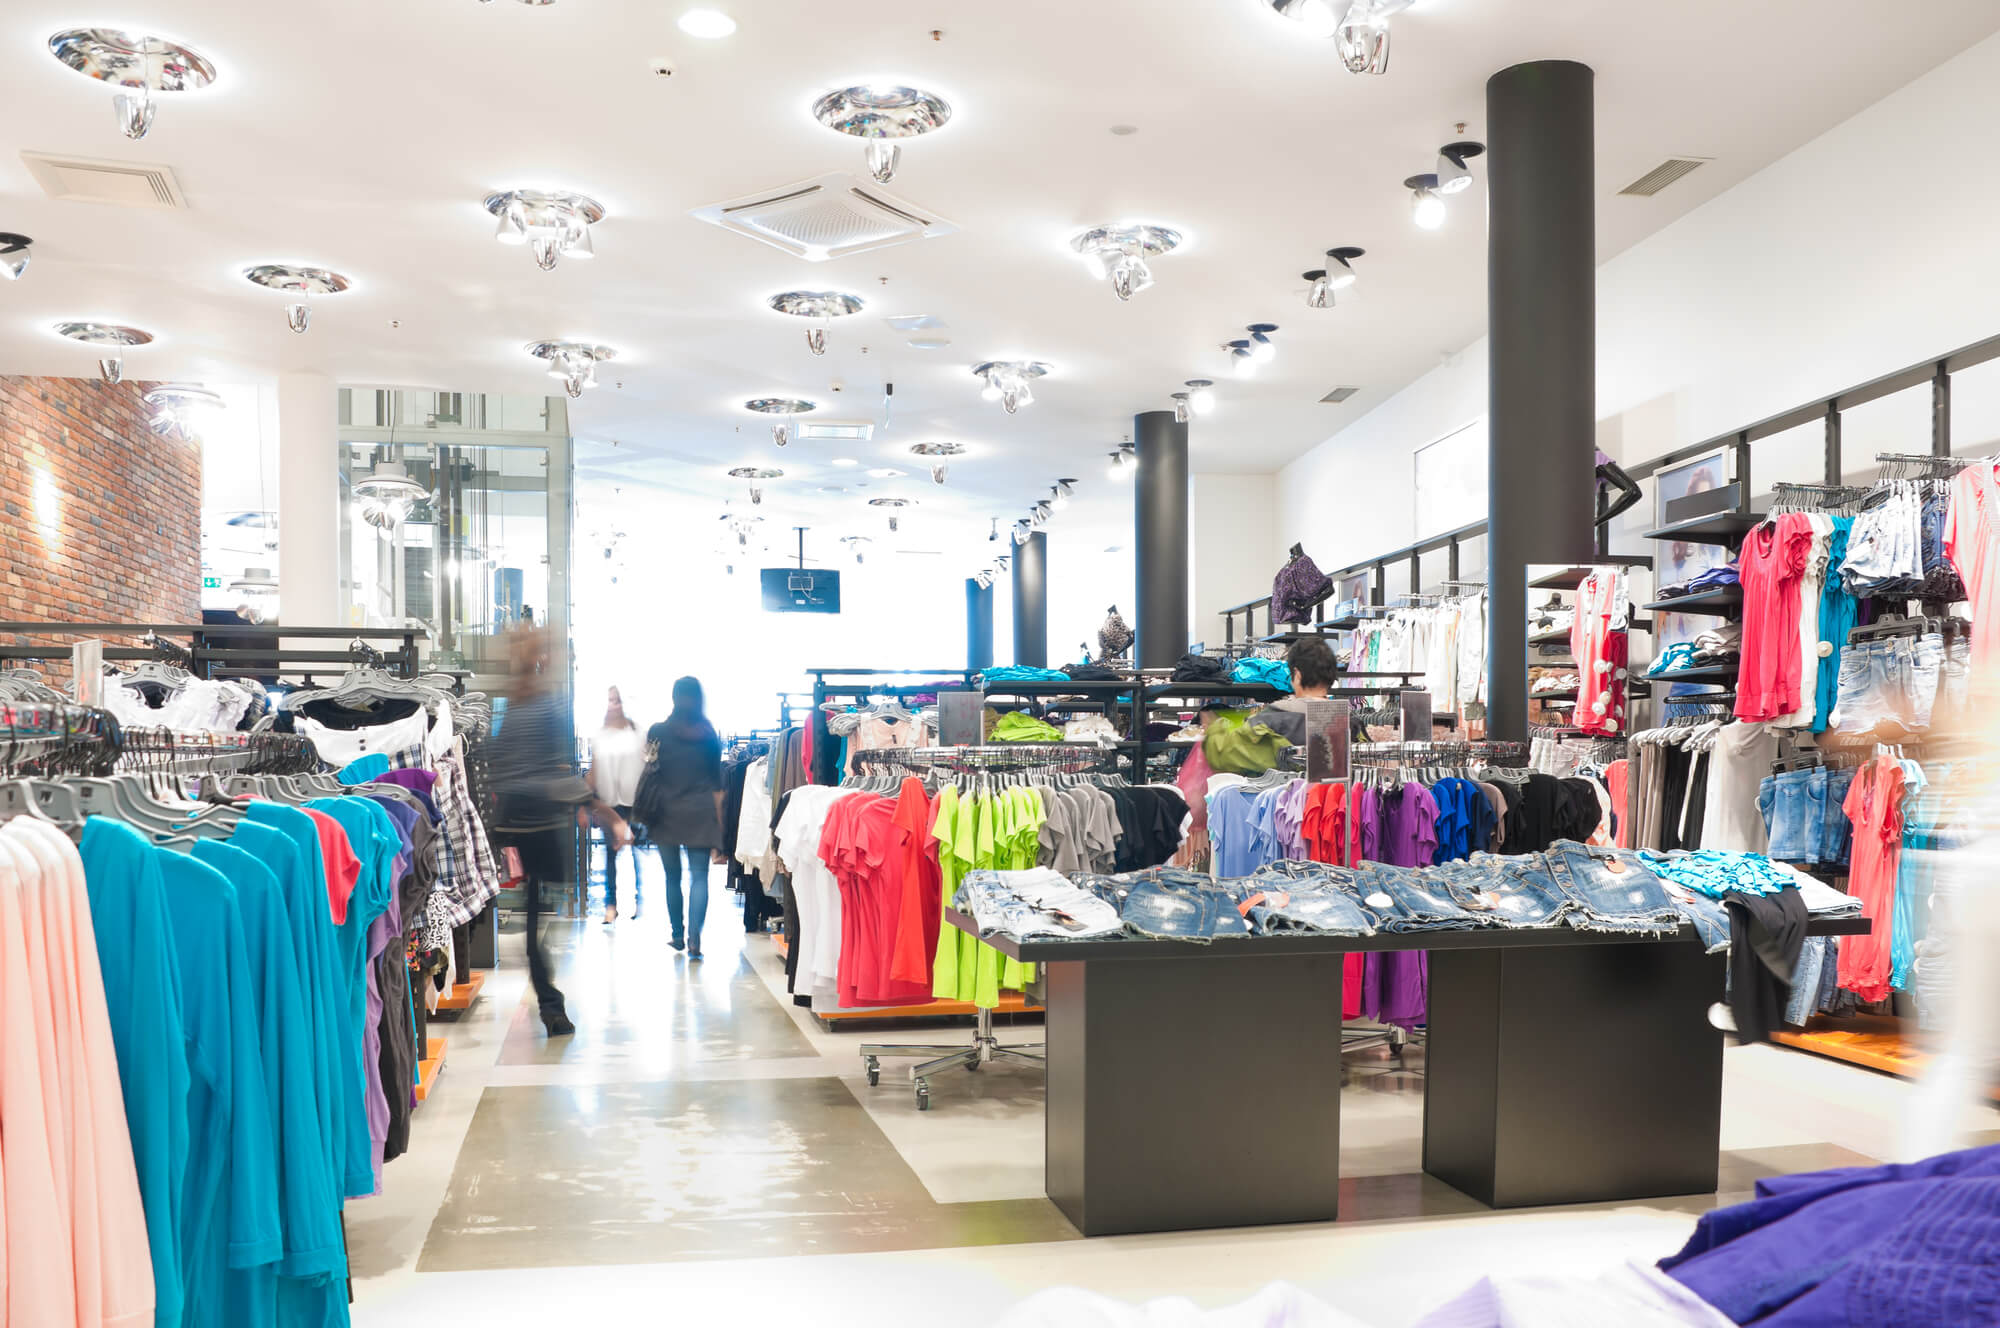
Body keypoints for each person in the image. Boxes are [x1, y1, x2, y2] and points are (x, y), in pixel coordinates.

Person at [489, 627, 630, 1035]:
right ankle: (551, 1003)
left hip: (516, 825)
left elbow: (501, 766)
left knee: (534, 919)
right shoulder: (548, 707)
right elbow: (554, 772)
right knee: (540, 917)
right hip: (544, 828)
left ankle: (549, 999)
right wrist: (598, 807)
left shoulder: (510, 704)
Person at [637, 676, 726, 959]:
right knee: (699, 876)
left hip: (666, 812)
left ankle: (677, 933)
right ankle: (694, 939)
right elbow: (718, 786)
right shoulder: (710, 734)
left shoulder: (658, 731)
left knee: (672, 877)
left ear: (674, 698)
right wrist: (720, 825)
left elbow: (648, 768)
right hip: (700, 812)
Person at [589, 685, 646, 925]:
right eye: (611, 700)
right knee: (610, 855)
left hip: (634, 802)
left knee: (637, 853)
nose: (614, 704)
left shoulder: (638, 733)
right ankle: (610, 906)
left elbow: (646, 769)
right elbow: (594, 769)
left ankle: (638, 900)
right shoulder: (601, 735)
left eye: (618, 700)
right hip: (609, 804)